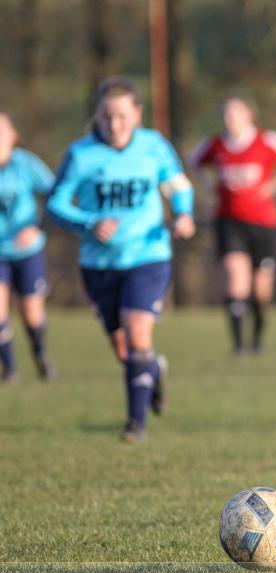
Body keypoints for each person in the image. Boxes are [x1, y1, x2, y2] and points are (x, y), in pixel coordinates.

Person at [47, 76, 195, 442]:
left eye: (121, 117)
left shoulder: (154, 146)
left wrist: (183, 214)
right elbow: (55, 204)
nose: (114, 125)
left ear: (137, 114)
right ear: (96, 116)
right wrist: (88, 222)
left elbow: (179, 185)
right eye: (106, 117)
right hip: (99, 265)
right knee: (124, 348)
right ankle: (152, 372)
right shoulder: (81, 155)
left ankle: (136, 424)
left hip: (148, 255)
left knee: (137, 331)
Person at [188, 96, 276, 356]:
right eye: (225, 114)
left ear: (249, 116)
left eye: (235, 114)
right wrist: (209, 185)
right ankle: (238, 346)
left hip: (262, 223)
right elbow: (193, 162)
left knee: (261, 290)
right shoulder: (216, 145)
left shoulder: (265, 141)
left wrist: (274, 186)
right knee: (237, 282)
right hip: (228, 221)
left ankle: (257, 340)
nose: (229, 120)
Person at [0, 112, 55, 383]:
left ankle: (41, 355)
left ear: (13, 135)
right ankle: (9, 369)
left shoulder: (25, 164)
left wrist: (37, 227)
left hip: (27, 251)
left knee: (31, 312)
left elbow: (55, 195)